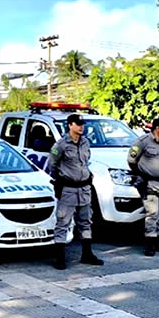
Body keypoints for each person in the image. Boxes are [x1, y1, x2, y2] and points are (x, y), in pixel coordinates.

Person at [49, 114, 104, 270]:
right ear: (70, 125)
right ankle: (60, 258)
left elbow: (86, 162)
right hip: (68, 189)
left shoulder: (85, 142)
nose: (81, 127)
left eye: (82, 124)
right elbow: (52, 164)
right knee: (63, 223)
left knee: (86, 222)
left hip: (84, 188)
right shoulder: (61, 145)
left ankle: (87, 254)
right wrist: (62, 179)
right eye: (78, 124)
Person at [128, 118, 159, 256]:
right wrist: (142, 175)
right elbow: (131, 160)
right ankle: (150, 244)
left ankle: (158, 241)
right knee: (152, 214)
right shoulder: (143, 142)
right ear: (158, 128)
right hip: (150, 182)